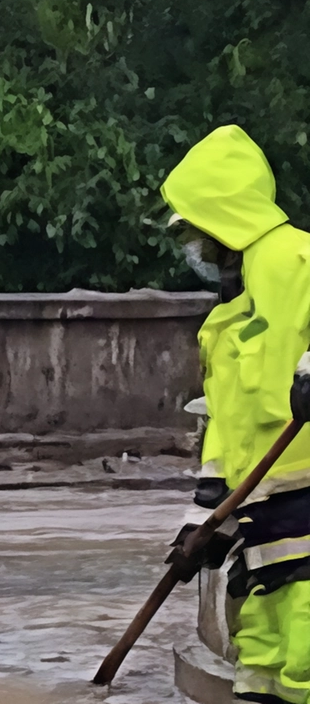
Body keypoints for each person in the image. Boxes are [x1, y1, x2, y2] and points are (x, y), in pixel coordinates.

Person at [162, 124, 310, 704]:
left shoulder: (299, 260)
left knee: (303, 652)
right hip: (261, 516)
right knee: (263, 661)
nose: (194, 250)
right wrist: (211, 522)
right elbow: (228, 425)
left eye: (196, 234)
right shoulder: (225, 321)